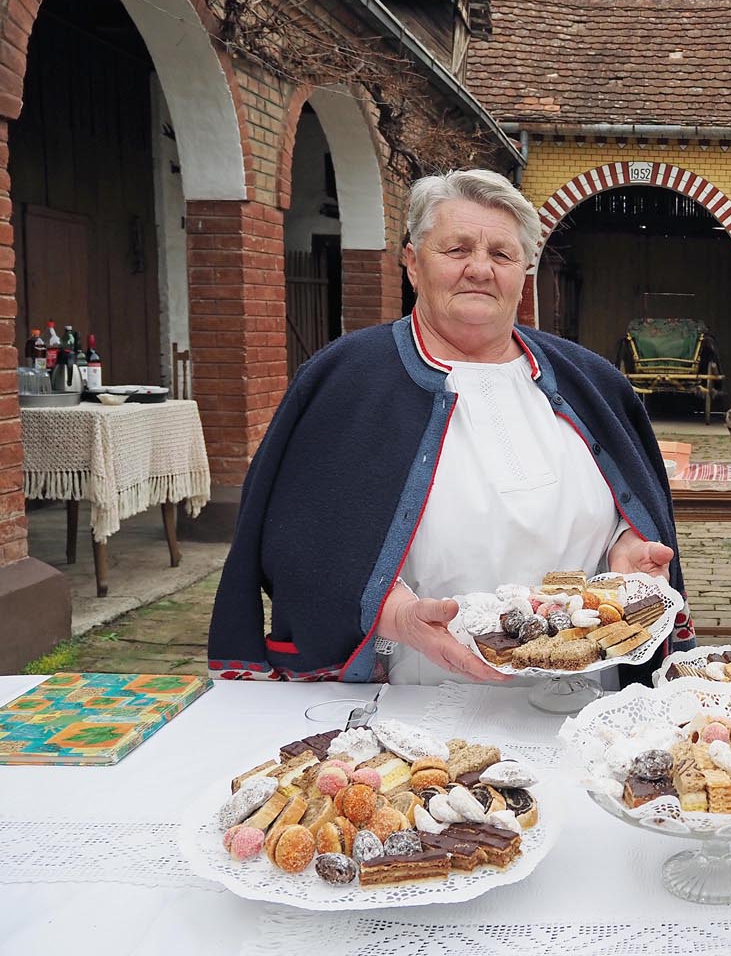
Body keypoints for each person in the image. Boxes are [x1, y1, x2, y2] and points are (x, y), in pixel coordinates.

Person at [209, 169, 693, 683]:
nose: (480, 269)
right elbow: (297, 540)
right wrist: (393, 613)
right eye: (457, 249)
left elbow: (629, 503)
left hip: (582, 691)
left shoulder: (590, 380)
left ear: (524, 271)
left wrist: (627, 545)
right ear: (413, 263)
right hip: (412, 688)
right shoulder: (347, 379)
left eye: (501, 254)